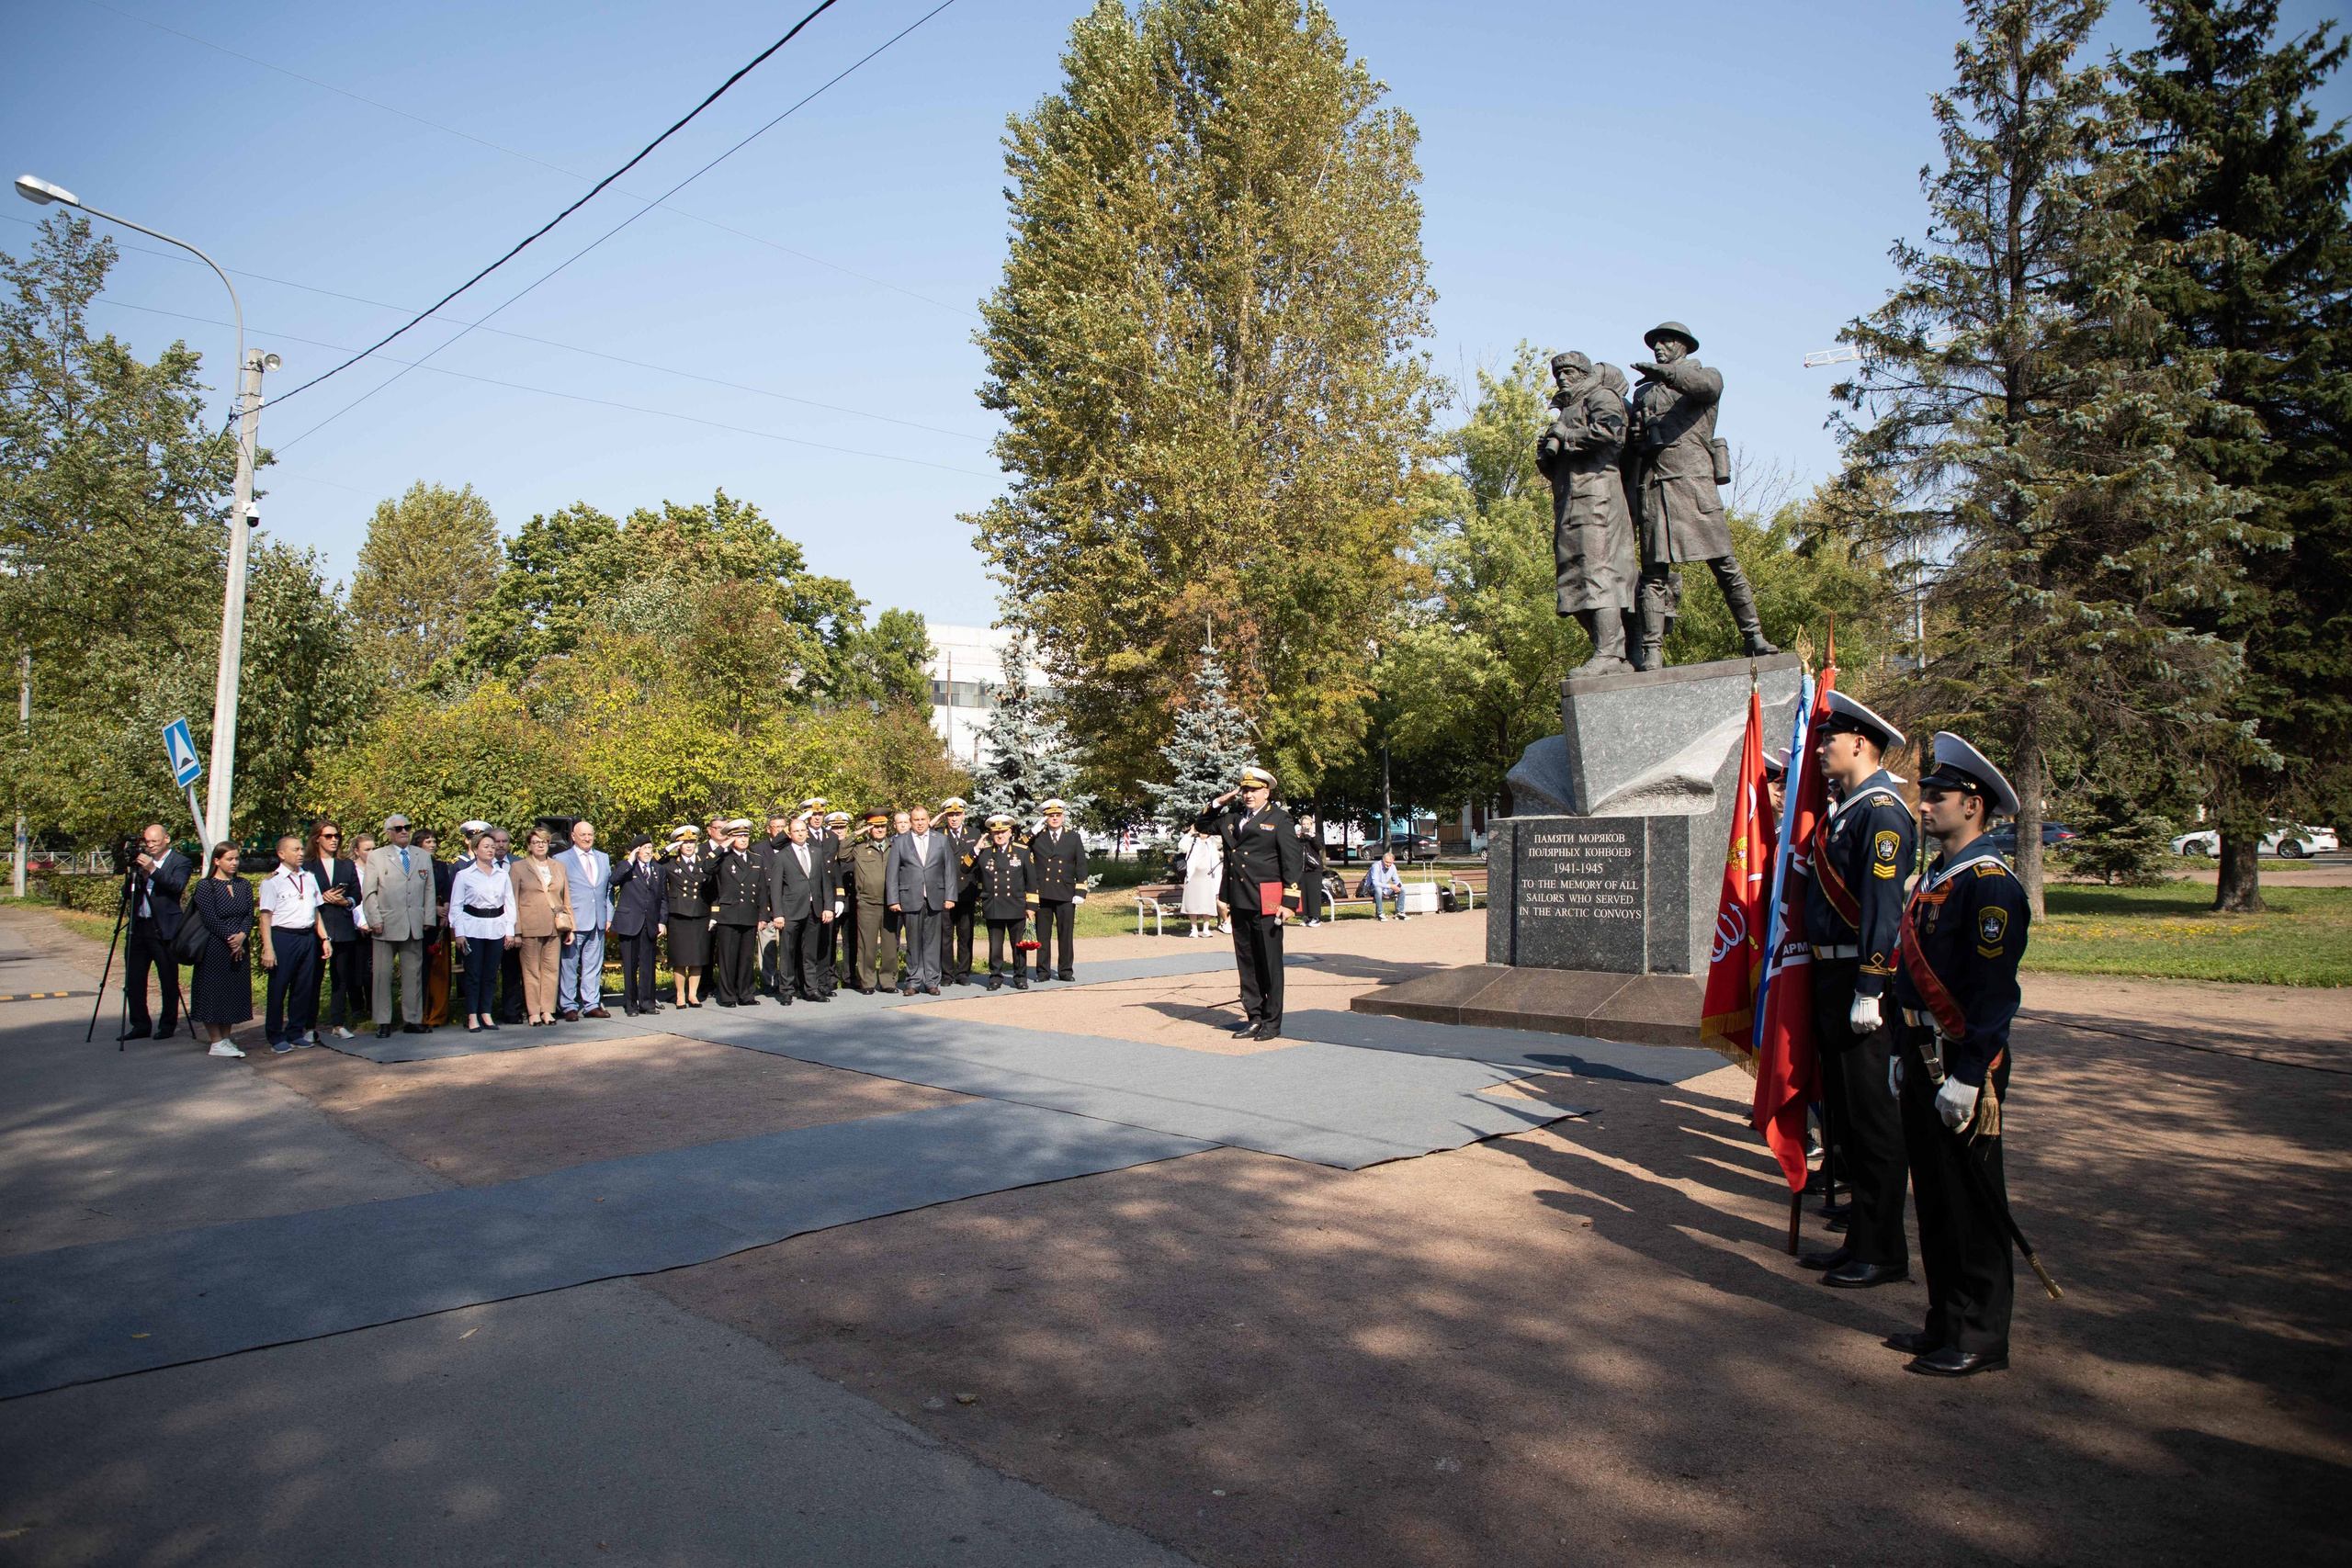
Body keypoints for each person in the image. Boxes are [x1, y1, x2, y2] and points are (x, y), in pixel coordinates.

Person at [1889, 732, 2032, 1378]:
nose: (1925, 805)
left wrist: (1971, 1075)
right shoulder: (1935, 877)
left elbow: (1994, 995)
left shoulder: (1990, 886)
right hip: (1922, 1051)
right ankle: (1945, 1317)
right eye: (1924, 795)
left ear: (1973, 804)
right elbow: (1908, 976)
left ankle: (1982, 1331)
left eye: (1938, 796)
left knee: (1972, 1202)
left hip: (1961, 1061)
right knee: (1937, 1199)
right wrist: (1900, 1046)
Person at [1797, 690, 1919, 1292]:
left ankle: (1883, 1247)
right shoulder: (1846, 811)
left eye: (1829, 740)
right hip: (1831, 973)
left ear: (1860, 744)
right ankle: (1860, 1238)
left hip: (1857, 980)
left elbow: (1882, 907)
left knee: (1873, 1118)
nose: (1820, 749)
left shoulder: (1882, 813)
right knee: (1847, 1112)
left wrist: (1872, 985)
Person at [1626, 321, 1779, 668]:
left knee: (1726, 567)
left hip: (1694, 490)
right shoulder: (1643, 394)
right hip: (1657, 490)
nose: (1658, 347)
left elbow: (1703, 388)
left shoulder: (1706, 376)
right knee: (1653, 576)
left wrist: (1664, 373)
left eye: (1666, 342)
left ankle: (1753, 635)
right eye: (1655, 344)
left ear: (1683, 346)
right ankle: (1652, 652)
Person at [1536, 349, 1639, 674]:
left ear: (1583, 374)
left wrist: (1566, 435)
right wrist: (1547, 456)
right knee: (1573, 580)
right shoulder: (1567, 409)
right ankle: (1615, 652)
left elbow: (1611, 434)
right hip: (1569, 499)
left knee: (1598, 573)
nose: (1561, 379)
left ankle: (1608, 654)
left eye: (1568, 372)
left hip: (1598, 497)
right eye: (1558, 374)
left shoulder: (1602, 396)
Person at [1194, 766, 1303, 1041]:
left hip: (1268, 901)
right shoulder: (1232, 818)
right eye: (1244, 790)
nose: (1248, 795)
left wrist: (1289, 902)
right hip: (1240, 900)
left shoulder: (1279, 819)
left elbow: (1291, 862)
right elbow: (1203, 825)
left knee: (1269, 963)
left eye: (1253, 790)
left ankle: (1272, 1022)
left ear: (1267, 792)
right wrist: (1220, 801)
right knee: (1247, 962)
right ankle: (1254, 1017)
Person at [362, 815, 439, 1040]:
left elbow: (429, 889)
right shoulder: (377, 856)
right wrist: (374, 918)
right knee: (382, 975)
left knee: (413, 974)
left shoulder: (422, 856)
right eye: (398, 828)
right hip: (385, 924)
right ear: (388, 833)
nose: (404, 831)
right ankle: (383, 1021)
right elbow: (369, 891)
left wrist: (428, 918)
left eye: (407, 827)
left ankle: (412, 1019)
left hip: (414, 924)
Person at [256, 833, 329, 1055]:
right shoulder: (272, 882)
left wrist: (324, 938)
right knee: (279, 988)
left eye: (301, 849)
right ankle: (275, 1035)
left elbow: (316, 911)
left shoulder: (309, 877)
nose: (301, 853)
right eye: (295, 850)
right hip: (283, 937)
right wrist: (268, 948)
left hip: (307, 937)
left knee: (303, 987)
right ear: (281, 854)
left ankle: (295, 1032)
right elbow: (265, 917)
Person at [119, 823, 190, 1042]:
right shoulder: (140, 862)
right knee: (134, 979)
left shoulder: (180, 862)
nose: (149, 846)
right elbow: (127, 894)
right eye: (147, 842)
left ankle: (167, 1025)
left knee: (168, 978)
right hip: (139, 926)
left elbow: (176, 887)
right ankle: (140, 1024)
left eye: (154, 841)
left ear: (166, 839)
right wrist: (134, 873)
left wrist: (152, 869)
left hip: (165, 928)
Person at [763, 812, 840, 1003]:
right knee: (788, 952)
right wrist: (778, 914)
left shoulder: (817, 852)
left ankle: (811, 989)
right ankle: (787, 990)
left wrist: (828, 907)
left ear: (807, 832)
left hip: (814, 910)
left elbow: (825, 883)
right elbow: (775, 888)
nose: (799, 834)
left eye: (802, 831)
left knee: (810, 953)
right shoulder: (782, 856)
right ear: (789, 834)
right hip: (790, 912)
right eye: (795, 831)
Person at [187, 842, 254, 1057]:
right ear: (217, 861)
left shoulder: (244, 884)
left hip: (240, 945)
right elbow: (210, 918)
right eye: (229, 859)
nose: (234, 863)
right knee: (213, 991)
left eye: (236, 859)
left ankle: (226, 1038)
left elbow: (249, 915)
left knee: (232, 991)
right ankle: (216, 1040)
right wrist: (230, 939)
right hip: (215, 945)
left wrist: (242, 936)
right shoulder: (206, 886)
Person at [447, 830, 517, 1033]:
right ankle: (472, 1014)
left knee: (490, 974)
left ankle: (486, 1012)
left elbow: (509, 904)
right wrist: (459, 933)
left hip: (495, 927)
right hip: (472, 928)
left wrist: (509, 931)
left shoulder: (502, 874)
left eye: (492, 847)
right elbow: (456, 906)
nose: (490, 850)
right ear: (475, 849)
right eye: (486, 846)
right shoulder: (464, 875)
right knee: (473, 974)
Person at [304, 820, 367, 1042]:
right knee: (314, 978)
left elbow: (357, 895)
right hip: (316, 929)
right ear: (317, 838)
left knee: (340, 978)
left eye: (336, 835)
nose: (334, 839)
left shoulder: (346, 864)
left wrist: (344, 901)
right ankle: (309, 1027)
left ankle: (338, 1024)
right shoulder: (307, 865)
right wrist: (322, 897)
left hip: (342, 927)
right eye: (329, 836)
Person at [508, 827, 574, 1026]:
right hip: (529, 927)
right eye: (536, 842)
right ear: (529, 845)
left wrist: (571, 926)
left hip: (555, 926)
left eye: (544, 842)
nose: (540, 846)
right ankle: (533, 1012)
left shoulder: (559, 866)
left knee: (551, 970)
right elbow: (512, 900)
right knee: (531, 971)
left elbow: (566, 897)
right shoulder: (518, 867)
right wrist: (516, 931)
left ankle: (547, 1010)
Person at [886, 803, 954, 996]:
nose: (920, 823)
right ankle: (913, 981)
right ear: (911, 821)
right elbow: (892, 873)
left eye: (923, 819)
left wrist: (950, 896)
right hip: (910, 897)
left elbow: (948, 870)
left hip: (935, 897)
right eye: (916, 820)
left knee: (933, 942)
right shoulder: (900, 841)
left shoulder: (940, 840)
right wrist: (893, 899)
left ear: (928, 819)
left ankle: (931, 981)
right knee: (913, 942)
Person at [555, 818, 614, 1021]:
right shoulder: (561, 859)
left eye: (590, 835)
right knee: (569, 965)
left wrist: (609, 915)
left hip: (598, 919)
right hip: (574, 922)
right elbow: (559, 892)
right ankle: (568, 1005)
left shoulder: (603, 858)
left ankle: (591, 1004)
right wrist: (565, 920)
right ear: (573, 837)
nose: (587, 838)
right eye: (583, 835)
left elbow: (608, 890)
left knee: (593, 966)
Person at [971, 813, 1037, 988]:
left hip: (1016, 904)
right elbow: (965, 868)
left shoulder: (1022, 851)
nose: (1000, 836)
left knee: (1019, 945)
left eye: (1003, 832)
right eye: (996, 833)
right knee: (995, 946)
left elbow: (1031, 880)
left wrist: (1031, 907)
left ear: (1010, 832)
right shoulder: (984, 853)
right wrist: (976, 849)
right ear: (991, 835)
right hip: (994, 905)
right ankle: (995, 977)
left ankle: (1020, 977)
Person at [1027, 799, 1088, 982]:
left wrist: (1081, 891)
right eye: (1050, 816)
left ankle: (1065, 971)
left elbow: (1082, 865)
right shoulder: (1038, 837)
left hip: (1066, 893)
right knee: (1043, 936)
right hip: (1043, 893)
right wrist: (1032, 831)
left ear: (1063, 817)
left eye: (1057, 815)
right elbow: (1020, 848)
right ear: (1045, 818)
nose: (1054, 818)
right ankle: (1043, 972)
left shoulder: (1073, 837)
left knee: (1065, 935)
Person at [709, 818, 766, 1007]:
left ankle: (746, 994)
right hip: (729, 914)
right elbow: (706, 867)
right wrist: (722, 844)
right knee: (727, 958)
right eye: (739, 836)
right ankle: (727, 995)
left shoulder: (756, 859)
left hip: (749, 913)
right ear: (731, 838)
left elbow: (761, 889)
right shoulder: (723, 857)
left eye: (745, 836)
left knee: (746, 957)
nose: (743, 839)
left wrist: (763, 915)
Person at [608, 834, 667, 1016]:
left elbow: (663, 898)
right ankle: (631, 1004)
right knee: (630, 965)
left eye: (650, 847)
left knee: (648, 965)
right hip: (630, 923)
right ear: (636, 851)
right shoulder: (626, 867)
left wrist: (662, 921)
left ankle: (647, 1003)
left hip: (649, 923)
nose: (648, 851)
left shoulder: (658, 869)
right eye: (644, 848)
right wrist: (629, 860)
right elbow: (613, 880)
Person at [847, 808, 899, 992]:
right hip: (867, 903)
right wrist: (858, 832)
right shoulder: (860, 849)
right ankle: (867, 982)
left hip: (890, 903)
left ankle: (888, 981)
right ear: (870, 828)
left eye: (882, 826)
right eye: (875, 826)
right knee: (867, 946)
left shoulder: (895, 847)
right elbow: (843, 851)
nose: (879, 830)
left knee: (890, 946)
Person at [662, 825, 714, 1007]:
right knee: (680, 957)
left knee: (697, 957)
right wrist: (669, 848)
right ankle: (680, 995)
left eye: (692, 842)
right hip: (679, 914)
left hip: (699, 913)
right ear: (678, 845)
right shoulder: (670, 862)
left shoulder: (703, 862)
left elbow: (714, 887)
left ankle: (692, 994)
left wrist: (713, 914)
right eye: (684, 842)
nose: (689, 845)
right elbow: (653, 862)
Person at [936, 797, 978, 985]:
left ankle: (963, 973)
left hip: (966, 892)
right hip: (944, 892)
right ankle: (946, 974)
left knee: (965, 934)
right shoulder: (937, 834)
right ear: (945, 817)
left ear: (964, 815)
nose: (954, 818)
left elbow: (981, 864)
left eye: (957, 814)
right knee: (945, 936)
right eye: (950, 815)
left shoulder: (975, 833)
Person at [416, 828, 455, 1028]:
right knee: (420, 970)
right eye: (427, 841)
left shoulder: (441, 866)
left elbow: (448, 889)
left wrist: (445, 910)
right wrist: (433, 909)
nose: (432, 845)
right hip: (421, 923)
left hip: (440, 925)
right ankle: (420, 1015)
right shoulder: (413, 865)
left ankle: (438, 1015)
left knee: (440, 971)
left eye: (434, 841)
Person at [753, 810, 791, 998]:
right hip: (767, 903)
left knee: (788, 945)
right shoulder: (758, 849)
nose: (781, 831)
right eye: (777, 828)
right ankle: (769, 981)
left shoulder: (792, 845)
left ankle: (788, 981)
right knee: (767, 944)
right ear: (769, 830)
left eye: (784, 827)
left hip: (788, 903)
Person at [1179, 825, 1224, 938]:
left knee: (1207, 902)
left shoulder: (1212, 841)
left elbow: (1221, 839)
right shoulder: (1193, 841)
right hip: (1193, 876)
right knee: (1192, 903)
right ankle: (1194, 929)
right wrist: (1190, 832)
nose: (1204, 833)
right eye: (1202, 831)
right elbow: (1181, 847)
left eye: (1206, 831)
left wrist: (1213, 830)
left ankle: (1206, 929)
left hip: (1208, 877)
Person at [1294, 813, 1328, 927]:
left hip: (1314, 869)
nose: (1305, 826)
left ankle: (1316, 918)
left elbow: (1319, 847)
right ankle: (1306, 917)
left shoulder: (1315, 835)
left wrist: (1312, 836)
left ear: (1311, 825)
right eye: (1303, 824)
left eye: (1308, 824)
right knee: (1303, 894)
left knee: (1313, 894)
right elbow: (1293, 849)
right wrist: (1296, 837)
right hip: (1302, 869)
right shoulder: (1299, 837)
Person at [1369, 851, 1406, 920]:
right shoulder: (1376, 866)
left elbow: (1396, 880)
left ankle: (1400, 912)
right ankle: (1380, 914)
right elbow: (1375, 883)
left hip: (1385, 889)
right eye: (1387, 862)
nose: (1388, 864)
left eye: (1390, 863)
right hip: (1372, 889)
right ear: (1383, 860)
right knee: (1378, 889)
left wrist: (1398, 886)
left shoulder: (1393, 867)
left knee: (1402, 889)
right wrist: (1390, 886)